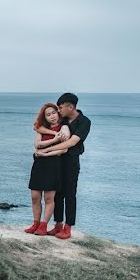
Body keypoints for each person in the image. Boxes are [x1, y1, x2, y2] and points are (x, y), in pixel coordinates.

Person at [34, 92, 92, 240]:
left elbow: (72, 142)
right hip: (55, 161)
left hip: (71, 161)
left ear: (70, 107)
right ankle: (58, 225)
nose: (58, 111)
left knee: (70, 194)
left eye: (60, 108)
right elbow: (38, 127)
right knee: (57, 194)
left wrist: (45, 150)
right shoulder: (63, 119)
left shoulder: (84, 122)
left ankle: (68, 227)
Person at [24, 103, 68, 234]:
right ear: (44, 117)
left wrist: (46, 152)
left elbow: (64, 148)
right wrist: (54, 138)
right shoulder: (41, 128)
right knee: (35, 197)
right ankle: (35, 223)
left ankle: (43, 226)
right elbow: (37, 144)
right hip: (38, 164)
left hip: (53, 164)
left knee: (49, 198)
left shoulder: (64, 127)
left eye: (53, 113)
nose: (52, 116)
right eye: (48, 115)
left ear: (58, 113)